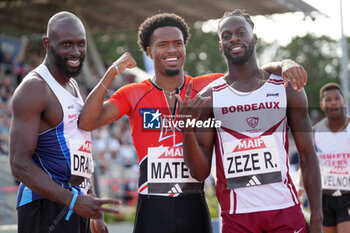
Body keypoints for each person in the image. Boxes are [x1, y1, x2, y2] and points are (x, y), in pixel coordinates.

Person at [78, 13, 308, 233]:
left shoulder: (208, 86)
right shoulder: (133, 93)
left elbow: (249, 72)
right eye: (163, 44)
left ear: (185, 48)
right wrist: (110, 73)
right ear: (149, 51)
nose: (172, 50)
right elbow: (87, 122)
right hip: (152, 207)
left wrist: (284, 64)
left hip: (194, 204)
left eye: (178, 43)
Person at [178, 10, 323, 233]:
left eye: (241, 33)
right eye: (226, 35)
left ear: (254, 39)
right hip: (237, 218)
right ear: (220, 45)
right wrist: (186, 130)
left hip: (285, 211)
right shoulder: (210, 98)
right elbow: (200, 173)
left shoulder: (286, 88)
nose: (234, 38)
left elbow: (308, 155)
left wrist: (317, 218)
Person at [9, 11, 120, 233]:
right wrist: (72, 201)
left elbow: (80, 150)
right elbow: (18, 163)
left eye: (81, 44)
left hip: (74, 202)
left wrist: (92, 205)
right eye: (66, 44)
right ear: (47, 44)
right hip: (45, 206)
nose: (76, 52)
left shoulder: (72, 86)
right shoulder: (35, 88)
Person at [302, 82, 350, 233]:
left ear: (343, 101)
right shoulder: (315, 133)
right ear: (322, 104)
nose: (333, 102)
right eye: (328, 99)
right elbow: (307, 162)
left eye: (337, 98)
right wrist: (299, 186)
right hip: (324, 197)